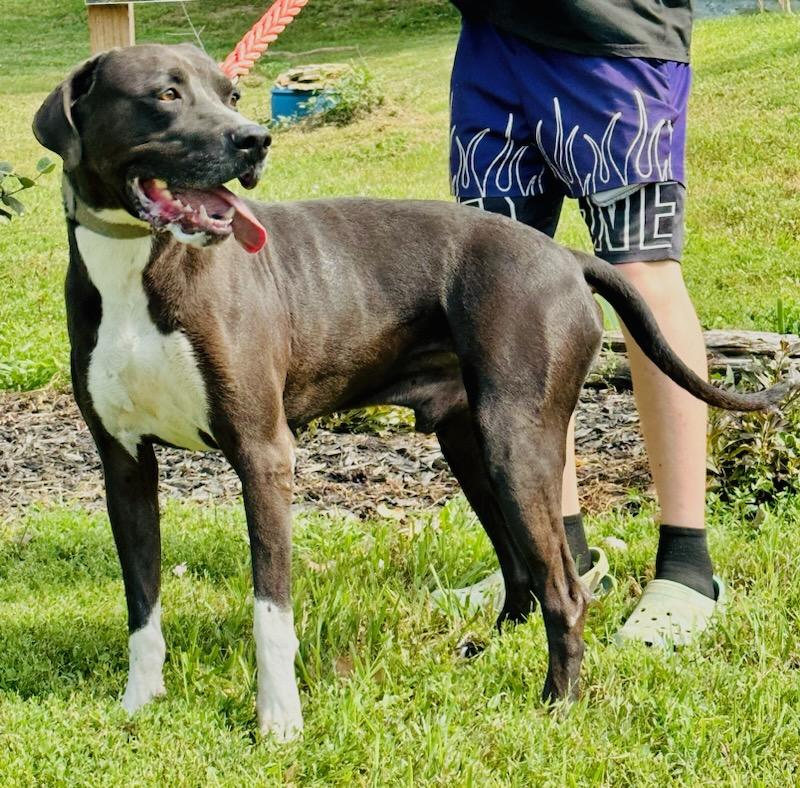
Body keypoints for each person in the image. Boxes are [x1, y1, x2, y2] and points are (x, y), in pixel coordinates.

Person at [443, 0, 725, 646]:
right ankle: (556, 554)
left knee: (643, 275)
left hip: (612, 31)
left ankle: (688, 567)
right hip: (492, 38)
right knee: (508, 297)